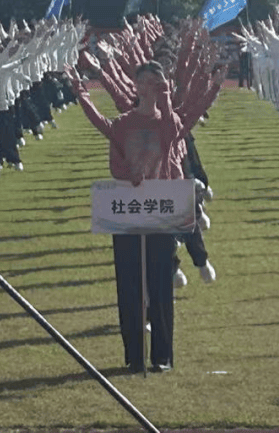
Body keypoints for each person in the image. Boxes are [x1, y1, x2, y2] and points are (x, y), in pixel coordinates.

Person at [71, 60, 214, 374]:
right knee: (130, 285)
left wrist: (192, 91)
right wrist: (82, 94)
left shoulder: (168, 121)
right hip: (128, 208)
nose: (149, 87)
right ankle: (134, 355)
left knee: (161, 284)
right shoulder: (124, 123)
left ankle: (161, 356)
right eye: (145, 82)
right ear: (136, 86)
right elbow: (108, 139)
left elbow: (177, 128)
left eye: (156, 82)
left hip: (160, 208)